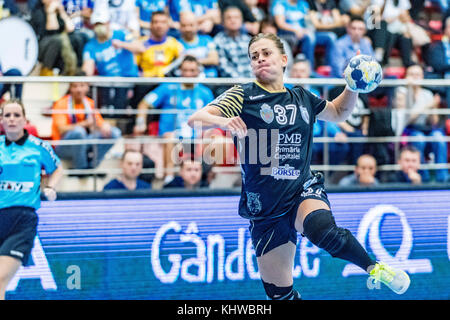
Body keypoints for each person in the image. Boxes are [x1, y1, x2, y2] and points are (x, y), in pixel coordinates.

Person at [188, 33, 410, 299]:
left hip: (301, 188)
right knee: (279, 294)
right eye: (254, 56)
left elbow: (339, 113)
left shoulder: (301, 97)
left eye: (266, 53)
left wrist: (351, 86)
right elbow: (196, 118)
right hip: (265, 206)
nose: (260, 59)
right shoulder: (243, 94)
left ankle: (375, 268)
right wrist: (224, 122)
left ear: (283, 59)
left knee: (323, 230)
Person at [0, 99, 63, 300]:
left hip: (22, 221)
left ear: (25, 120)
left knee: (0, 278)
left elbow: (58, 168)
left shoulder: (38, 147)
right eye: (7, 115)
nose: (12, 119)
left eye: (16, 115)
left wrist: (51, 187)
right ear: (1, 120)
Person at [134, 55, 214, 180]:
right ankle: (169, 178)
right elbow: (144, 104)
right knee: (170, 137)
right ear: (180, 71)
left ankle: (208, 180)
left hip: (197, 137)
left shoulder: (205, 92)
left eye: (192, 71)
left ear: (198, 72)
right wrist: (140, 122)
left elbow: (213, 115)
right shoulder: (167, 87)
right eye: (185, 70)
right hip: (172, 136)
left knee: (215, 137)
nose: (188, 74)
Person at [392, 64, 448, 183]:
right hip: (409, 129)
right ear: (406, 77)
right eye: (412, 75)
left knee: (439, 138)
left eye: (418, 75)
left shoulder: (427, 93)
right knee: (419, 138)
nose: (415, 78)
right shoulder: (402, 92)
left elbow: (434, 122)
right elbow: (407, 119)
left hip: (426, 128)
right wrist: (428, 105)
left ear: (422, 76)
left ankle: (442, 177)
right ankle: (424, 176)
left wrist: (434, 108)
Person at [51, 76, 122, 169]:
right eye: (75, 86)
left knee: (115, 133)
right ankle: (80, 168)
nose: (79, 89)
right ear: (70, 88)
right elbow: (61, 130)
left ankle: (93, 165)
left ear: (87, 87)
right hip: (63, 145)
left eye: (82, 85)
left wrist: (105, 126)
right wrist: (84, 124)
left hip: (85, 142)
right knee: (79, 132)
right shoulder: (61, 103)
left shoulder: (90, 103)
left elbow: (100, 123)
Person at [82, 10, 139, 115]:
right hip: (106, 83)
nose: (99, 27)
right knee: (105, 108)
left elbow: (140, 48)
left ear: (108, 23)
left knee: (121, 106)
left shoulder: (122, 34)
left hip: (127, 79)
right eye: (96, 24)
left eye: (102, 24)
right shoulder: (90, 45)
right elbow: (87, 68)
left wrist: (122, 44)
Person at [30, 0, 84, 75]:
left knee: (77, 38)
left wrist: (62, 12)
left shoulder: (60, 10)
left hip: (60, 42)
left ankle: (76, 70)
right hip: (42, 46)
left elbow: (71, 29)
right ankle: (46, 69)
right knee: (57, 40)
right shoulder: (38, 13)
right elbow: (52, 31)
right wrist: (51, 13)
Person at [271, 0, 316, 67]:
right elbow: (280, 24)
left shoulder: (303, 4)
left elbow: (309, 22)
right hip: (286, 34)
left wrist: (308, 29)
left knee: (329, 37)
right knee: (309, 38)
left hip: (303, 33)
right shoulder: (279, 3)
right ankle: (308, 69)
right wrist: (296, 30)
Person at [213, 6, 253, 79]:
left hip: (253, 81)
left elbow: (255, 62)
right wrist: (243, 81)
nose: (233, 20)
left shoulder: (249, 40)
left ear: (242, 20)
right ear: (223, 21)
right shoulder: (218, 41)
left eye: (236, 17)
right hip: (232, 84)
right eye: (229, 18)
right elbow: (223, 67)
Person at [178, 11, 219, 78]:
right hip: (188, 79)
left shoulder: (207, 39)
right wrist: (204, 60)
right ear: (180, 27)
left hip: (210, 79)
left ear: (197, 25)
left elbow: (214, 60)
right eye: (184, 25)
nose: (188, 29)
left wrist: (193, 60)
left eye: (191, 25)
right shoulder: (177, 43)